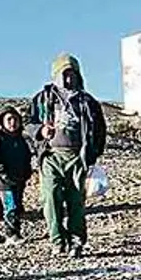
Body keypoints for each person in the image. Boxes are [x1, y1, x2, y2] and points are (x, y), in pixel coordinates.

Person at [26, 53, 107, 257]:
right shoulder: (42, 99)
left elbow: (99, 130)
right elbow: (29, 124)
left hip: (77, 157)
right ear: (57, 75)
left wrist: (93, 156)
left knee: (75, 201)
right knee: (51, 198)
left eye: (73, 74)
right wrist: (40, 131)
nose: (69, 79)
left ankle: (76, 241)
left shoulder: (88, 102)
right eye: (65, 74)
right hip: (51, 156)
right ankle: (57, 241)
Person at [0, 105, 34, 244]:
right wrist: (4, 175)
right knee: (10, 206)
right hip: (4, 182)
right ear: (2, 122)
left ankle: (15, 231)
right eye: (9, 119)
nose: (12, 122)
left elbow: (27, 157)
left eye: (15, 119)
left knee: (17, 206)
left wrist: (27, 172)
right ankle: (11, 234)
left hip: (19, 179)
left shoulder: (21, 139)